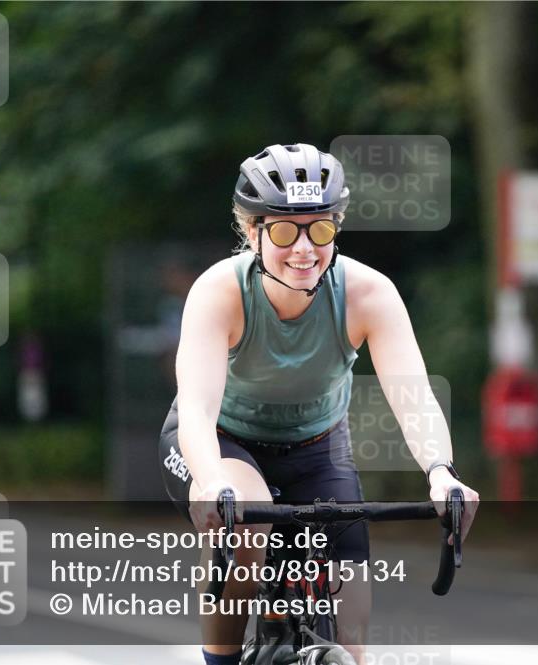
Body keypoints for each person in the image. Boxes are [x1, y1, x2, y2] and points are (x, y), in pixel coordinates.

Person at [158, 143, 479, 665]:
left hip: (317, 448)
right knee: (250, 528)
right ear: (252, 230)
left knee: (352, 642)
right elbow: (196, 407)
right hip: (222, 442)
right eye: (285, 231)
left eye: (320, 229)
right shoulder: (219, 292)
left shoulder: (368, 294)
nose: (304, 249)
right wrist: (211, 478)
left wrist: (441, 472)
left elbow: (413, 394)